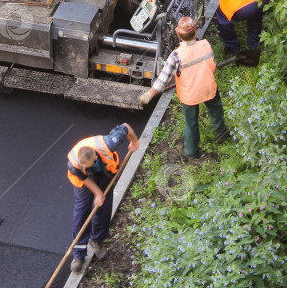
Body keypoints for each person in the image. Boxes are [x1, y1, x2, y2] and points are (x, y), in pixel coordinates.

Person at [138, 17, 229, 158]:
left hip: (190, 95)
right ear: (196, 31)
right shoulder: (205, 44)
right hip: (209, 87)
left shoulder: (176, 56)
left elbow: (163, 79)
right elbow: (213, 65)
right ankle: (222, 133)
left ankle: (191, 152)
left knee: (191, 123)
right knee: (216, 110)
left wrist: (150, 94)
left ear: (177, 33)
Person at [66, 123, 140, 273]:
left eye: (87, 165)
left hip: (104, 172)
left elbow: (125, 127)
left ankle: (97, 240)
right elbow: (84, 178)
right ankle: (78, 254)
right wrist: (97, 193)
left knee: (104, 207)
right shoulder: (75, 164)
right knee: (82, 210)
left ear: (95, 158)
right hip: (81, 181)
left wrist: (135, 141)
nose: (84, 168)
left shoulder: (108, 144)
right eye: (83, 166)